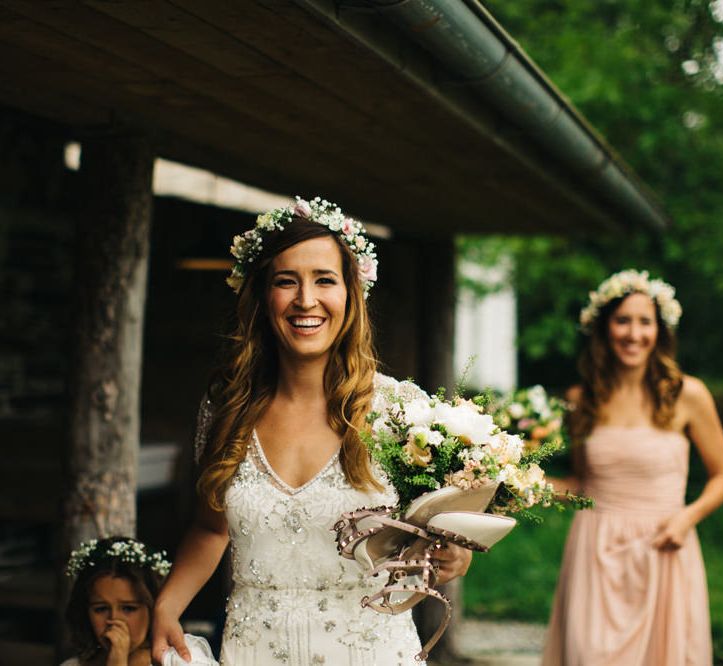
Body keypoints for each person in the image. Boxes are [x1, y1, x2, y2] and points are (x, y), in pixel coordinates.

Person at [151, 197, 472, 665]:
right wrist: (167, 604)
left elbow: (439, 530)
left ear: (351, 294)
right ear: (262, 297)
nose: (306, 300)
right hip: (255, 651)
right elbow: (210, 527)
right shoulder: (227, 408)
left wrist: (456, 557)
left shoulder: (400, 410)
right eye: (287, 282)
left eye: (324, 279)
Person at [542, 269, 723, 665]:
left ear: (660, 331)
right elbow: (582, 483)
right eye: (622, 320)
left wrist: (686, 518)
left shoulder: (687, 395)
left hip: (664, 547)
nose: (633, 333)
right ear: (604, 327)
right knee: (588, 652)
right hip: (596, 548)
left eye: (645, 322)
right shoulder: (581, 398)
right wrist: (517, 479)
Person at [62, 536, 171, 666]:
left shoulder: (177, 662)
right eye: (101, 609)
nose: (115, 621)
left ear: (152, 607)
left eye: (128, 608)